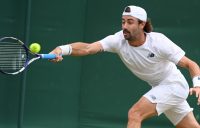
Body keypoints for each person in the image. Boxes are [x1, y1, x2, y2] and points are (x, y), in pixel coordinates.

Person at [49, 5, 200, 128]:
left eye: (130, 22)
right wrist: (62, 49)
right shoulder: (117, 40)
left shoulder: (159, 42)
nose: (125, 26)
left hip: (174, 85)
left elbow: (190, 64)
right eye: (123, 21)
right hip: (160, 87)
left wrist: (198, 85)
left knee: (135, 113)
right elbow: (87, 48)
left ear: (142, 24)